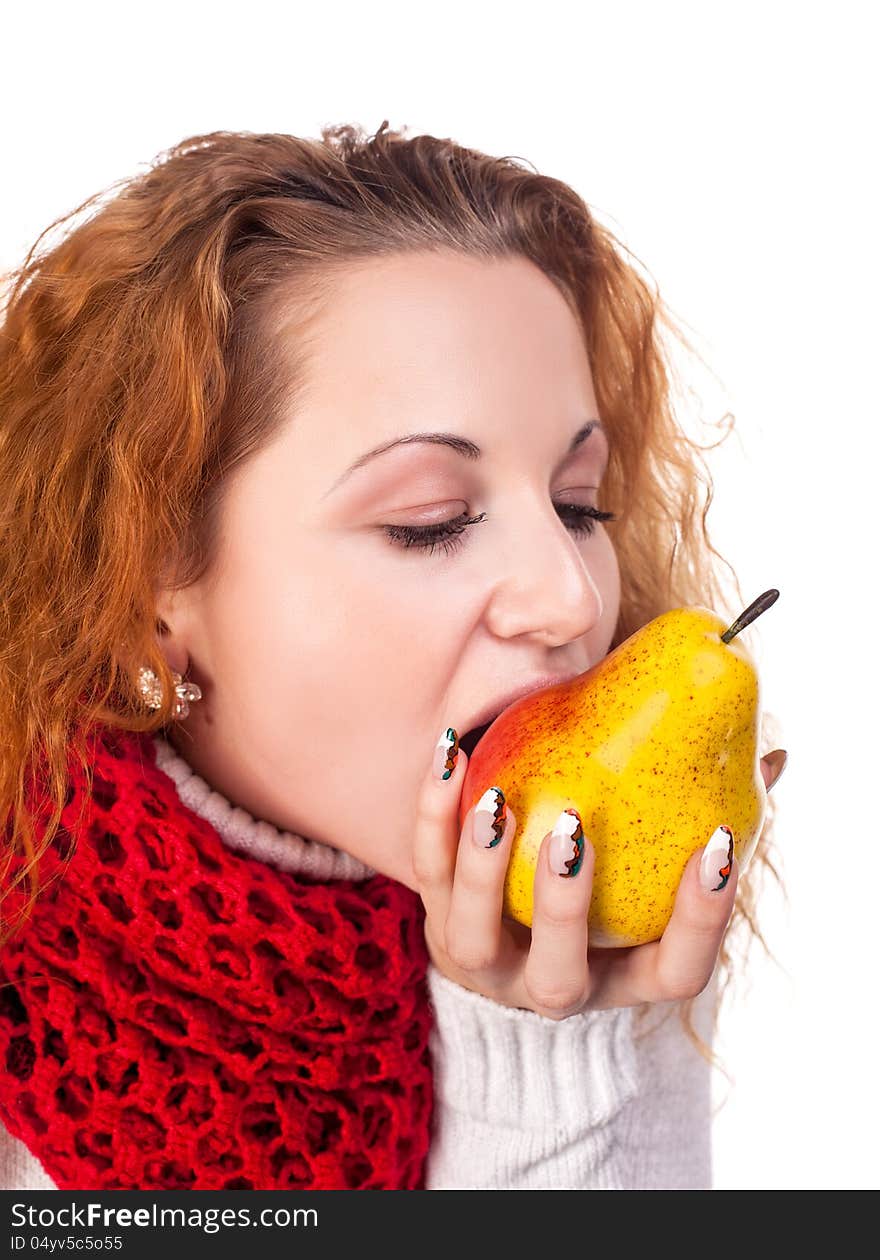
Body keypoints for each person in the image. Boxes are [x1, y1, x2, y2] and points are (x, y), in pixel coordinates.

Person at [0, 121, 787, 1191]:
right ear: (145, 585)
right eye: (430, 520)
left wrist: (546, 1052)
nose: (567, 599)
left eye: (577, 504)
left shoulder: (608, 933)